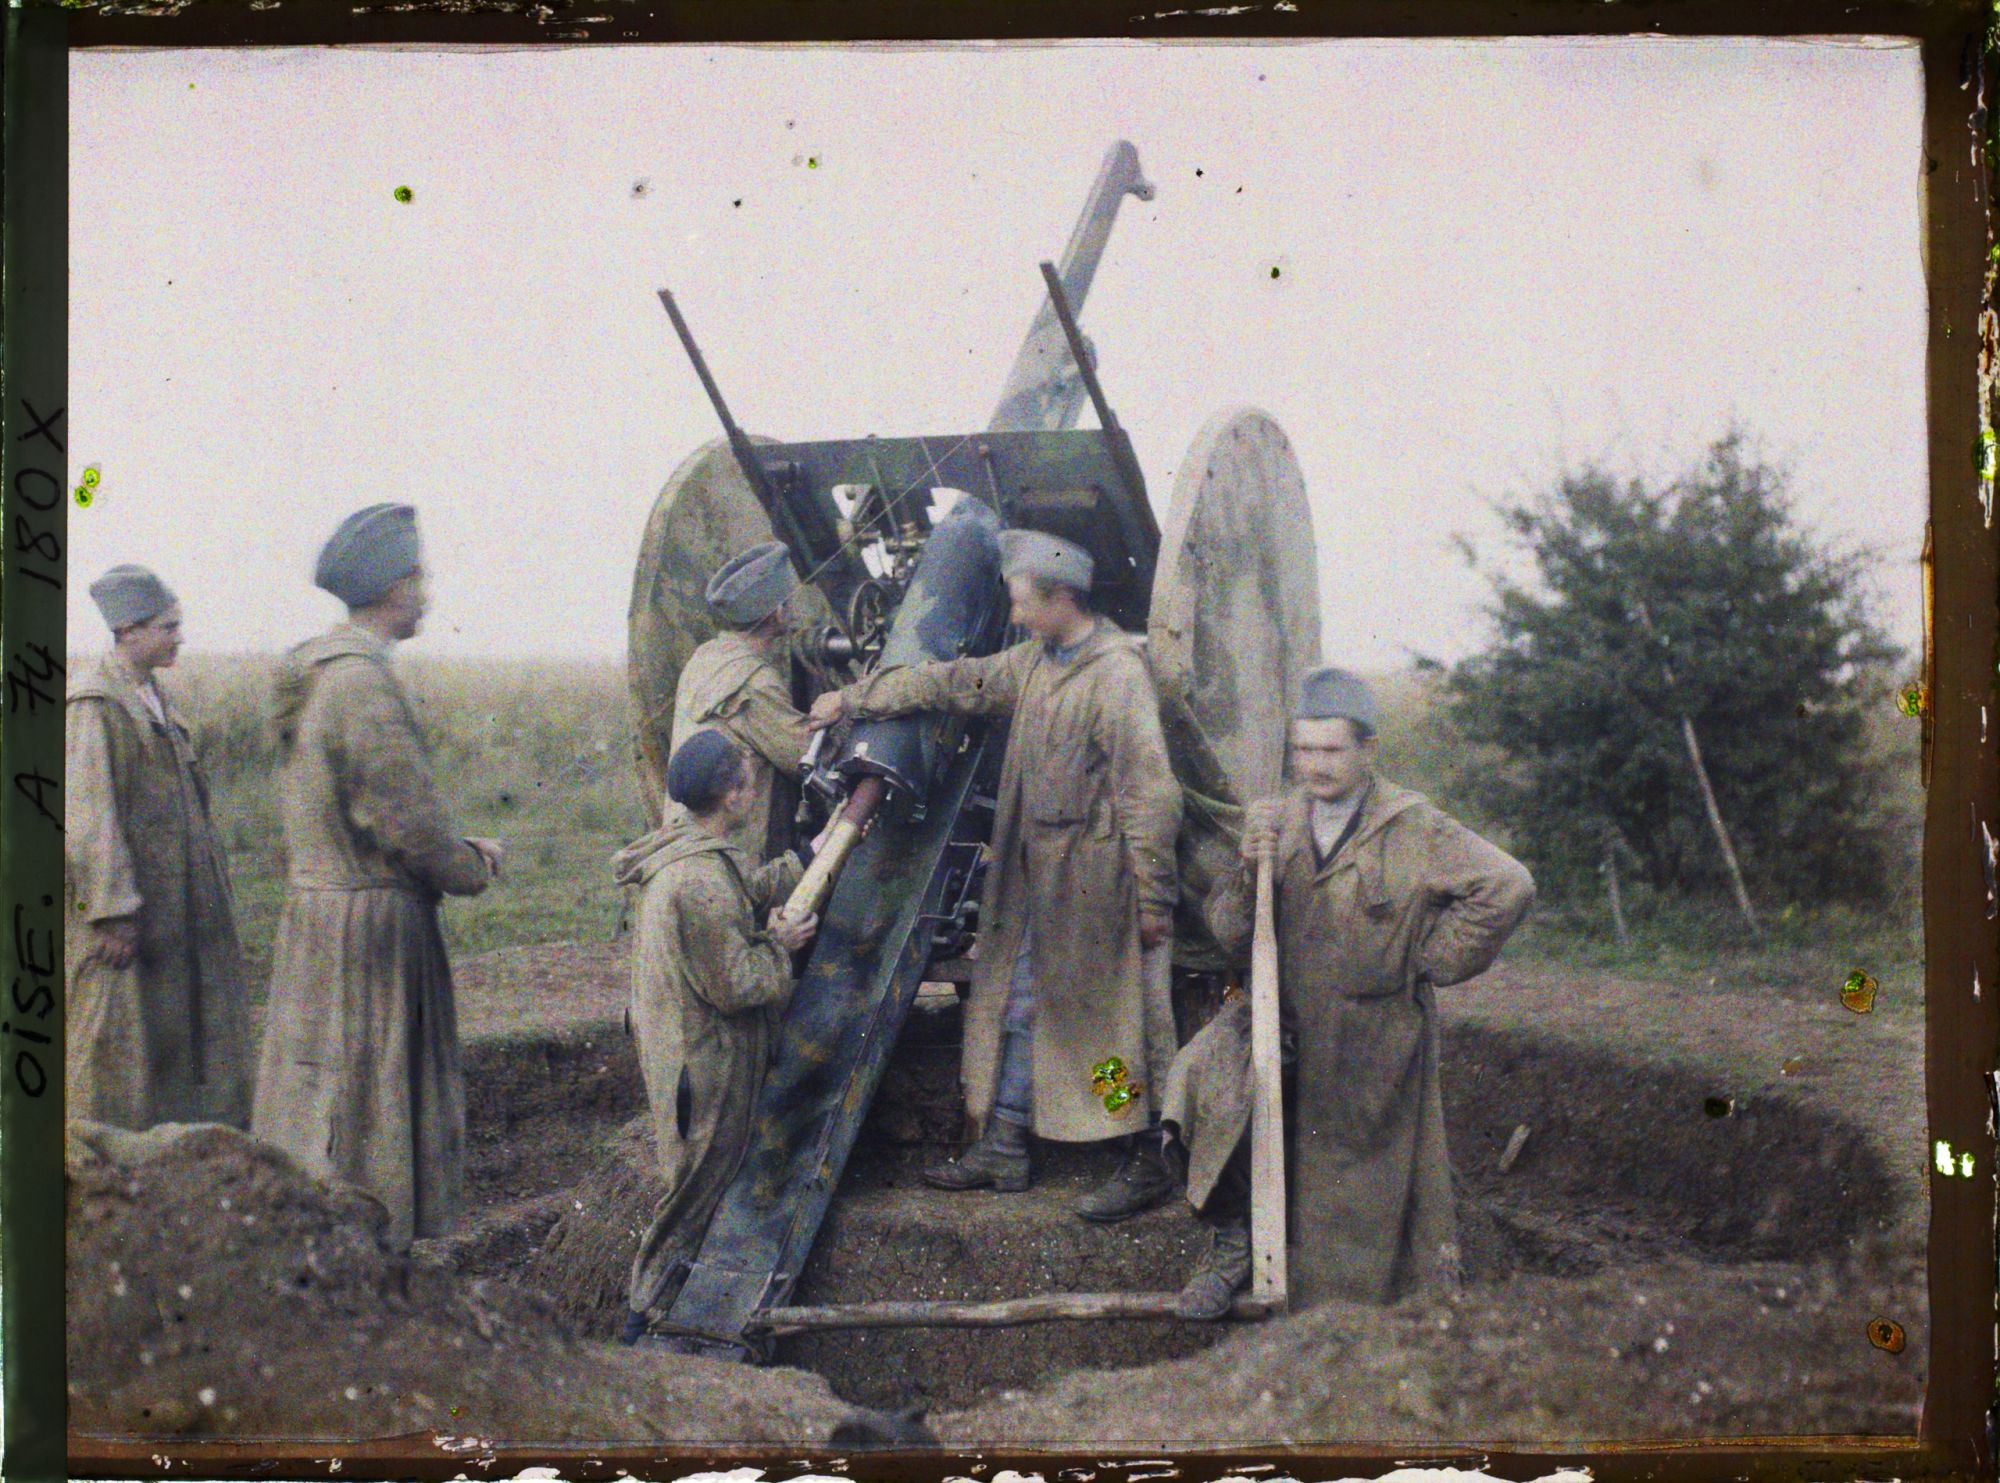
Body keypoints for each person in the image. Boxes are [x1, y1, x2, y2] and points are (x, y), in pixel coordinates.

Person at [807, 528, 1183, 1223]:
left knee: (1101, 1028)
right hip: (1034, 880)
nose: (1013, 616)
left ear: (1062, 598)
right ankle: (1006, 1141)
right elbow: (951, 682)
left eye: (1021, 603)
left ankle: (1141, 1150)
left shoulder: (1117, 676)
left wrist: (1153, 896)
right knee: (1015, 1007)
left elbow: (1150, 793)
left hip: (1095, 887)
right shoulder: (1034, 662)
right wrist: (856, 700)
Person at [1161, 667, 1536, 1319]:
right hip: (1279, 1015)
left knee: (1354, 1188)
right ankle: (1233, 1247)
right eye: (1304, 750)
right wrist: (1251, 865)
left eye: (1331, 750)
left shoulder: (1415, 826)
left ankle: (1346, 1321)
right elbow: (1228, 931)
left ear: (1367, 750)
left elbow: (1508, 884)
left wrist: (1430, 959)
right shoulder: (1275, 820)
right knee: (1192, 1083)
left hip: (1372, 1034)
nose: (1315, 766)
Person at [250, 504, 504, 1249]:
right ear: (392, 587)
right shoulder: (362, 684)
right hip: (374, 930)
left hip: (323, 913)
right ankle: (381, 1253)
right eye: (419, 576)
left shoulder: (319, 672)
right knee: (375, 1098)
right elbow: (406, 822)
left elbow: (361, 810)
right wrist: (469, 865)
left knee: (325, 1087)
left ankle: (326, 1249)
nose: (427, 591)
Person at [619, 729, 821, 1341]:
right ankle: (644, 1320)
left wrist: (803, 863)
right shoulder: (700, 882)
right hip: (705, 1072)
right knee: (693, 1197)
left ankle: (658, 1318)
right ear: (731, 796)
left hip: (684, 1058)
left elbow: (733, 902)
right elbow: (738, 983)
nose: (755, 791)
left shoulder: (683, 855)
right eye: (749, 782)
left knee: (694, 1188)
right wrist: (779, 946)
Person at [65, 565, 253, 1130]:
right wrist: (112, 909)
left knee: (185, 1032)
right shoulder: (96, 705)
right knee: (120, 1041)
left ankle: (183, 1153)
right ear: (127, 631)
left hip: (180, 911)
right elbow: (89, 815)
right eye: (168, 626)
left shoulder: (154, 698)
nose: (180, 636)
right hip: (133, 916)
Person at [660, 541, 815, 860]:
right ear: (777, 612)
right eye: (788, 601)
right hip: (735, 855)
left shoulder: (704, 658)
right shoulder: (755, 682)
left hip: (685, 844)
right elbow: (805, 758)